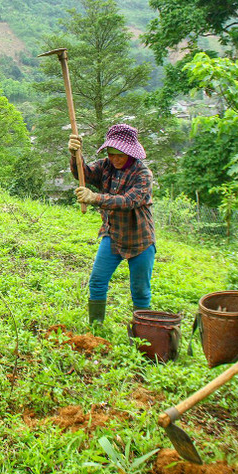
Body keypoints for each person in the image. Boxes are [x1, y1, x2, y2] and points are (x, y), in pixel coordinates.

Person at [68, 124, 156, 327]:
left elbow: (128, 201)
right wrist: (75, 155)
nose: (115, 159)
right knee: (97, 281)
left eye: (120, 155)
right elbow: (84, 174)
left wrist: (95, 197)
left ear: (130, 153)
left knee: (140, 291)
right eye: (111, 153)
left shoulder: (143, 174)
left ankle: (142, 333)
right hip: (113, 235)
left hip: (140, 240)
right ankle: (96, 328)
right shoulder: (105, 166)